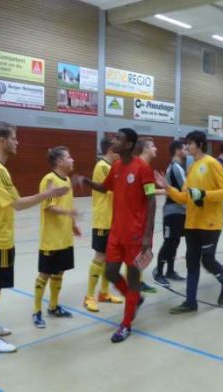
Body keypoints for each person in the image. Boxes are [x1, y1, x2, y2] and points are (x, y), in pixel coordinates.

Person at [0, 122, 68, 353]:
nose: (17, 142)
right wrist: (47, 194)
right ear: (3, 141)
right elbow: (17, 204)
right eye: (14, 138)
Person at [74, 128, 156, 343]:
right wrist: (87, 182)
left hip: (136, 235)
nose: (114, 141)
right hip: (116, 232)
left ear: (129, 144)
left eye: (119, 138)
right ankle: (134, 298)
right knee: (110, 272)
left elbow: (152, 200)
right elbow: (105, 187)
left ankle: (126, 324)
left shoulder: (142, 168)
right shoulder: (117, 166)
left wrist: (148, 234)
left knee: (133, 278)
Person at [155, 130, 223, 314]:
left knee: (207, 260)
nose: (186, 147)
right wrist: (168, 188)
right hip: (191, 224)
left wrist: (204, 195)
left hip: (210, 224)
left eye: (189, 143)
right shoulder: (191, 168)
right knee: (192, 262)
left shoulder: (212, 163)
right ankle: (190, 302)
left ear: (199, 144)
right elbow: (184, 197)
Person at [32, 147, 80, 328]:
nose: (72, 160)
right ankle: (36, 311)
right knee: (45, 274)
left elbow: (68, 204)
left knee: (60, 272)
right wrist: (69, 212)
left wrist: (73, 224)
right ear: (59, 162)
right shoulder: (49, 179)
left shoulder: (67, 180)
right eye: (69, 157)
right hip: (51, 238)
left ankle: (53, 307)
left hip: (65, 237)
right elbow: (49, 207)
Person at [83, 137, 123, 313]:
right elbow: (111, 189)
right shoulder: (102, 167)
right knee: (100, 257)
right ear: (111, 151)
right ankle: (89, 296)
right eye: (118, 151)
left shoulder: (112, 167)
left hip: (113, 219)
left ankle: (104, 293)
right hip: (103, 219)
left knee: (109, 257)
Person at [153, 140, 187, 287]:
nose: (187, 151)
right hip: (172, 212)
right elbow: (185, 190)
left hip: (180, 211)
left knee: (175, 241)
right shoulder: (175, 168)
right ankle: (159, 273)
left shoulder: (178, 167)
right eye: (185, 148)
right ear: (178, 150)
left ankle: (170, 271)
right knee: (169, 242)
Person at [132, 137, 160, 294]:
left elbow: (148, 193)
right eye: (153, 146)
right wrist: (148, 231)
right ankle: (133, 288)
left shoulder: (139, 166)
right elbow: (150, 197)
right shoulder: (142, 167)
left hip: (141, 219)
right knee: (136, 255)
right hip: (139, 221)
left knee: (138, 256)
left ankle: (138, 283)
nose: (156, 148)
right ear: (146, 149)